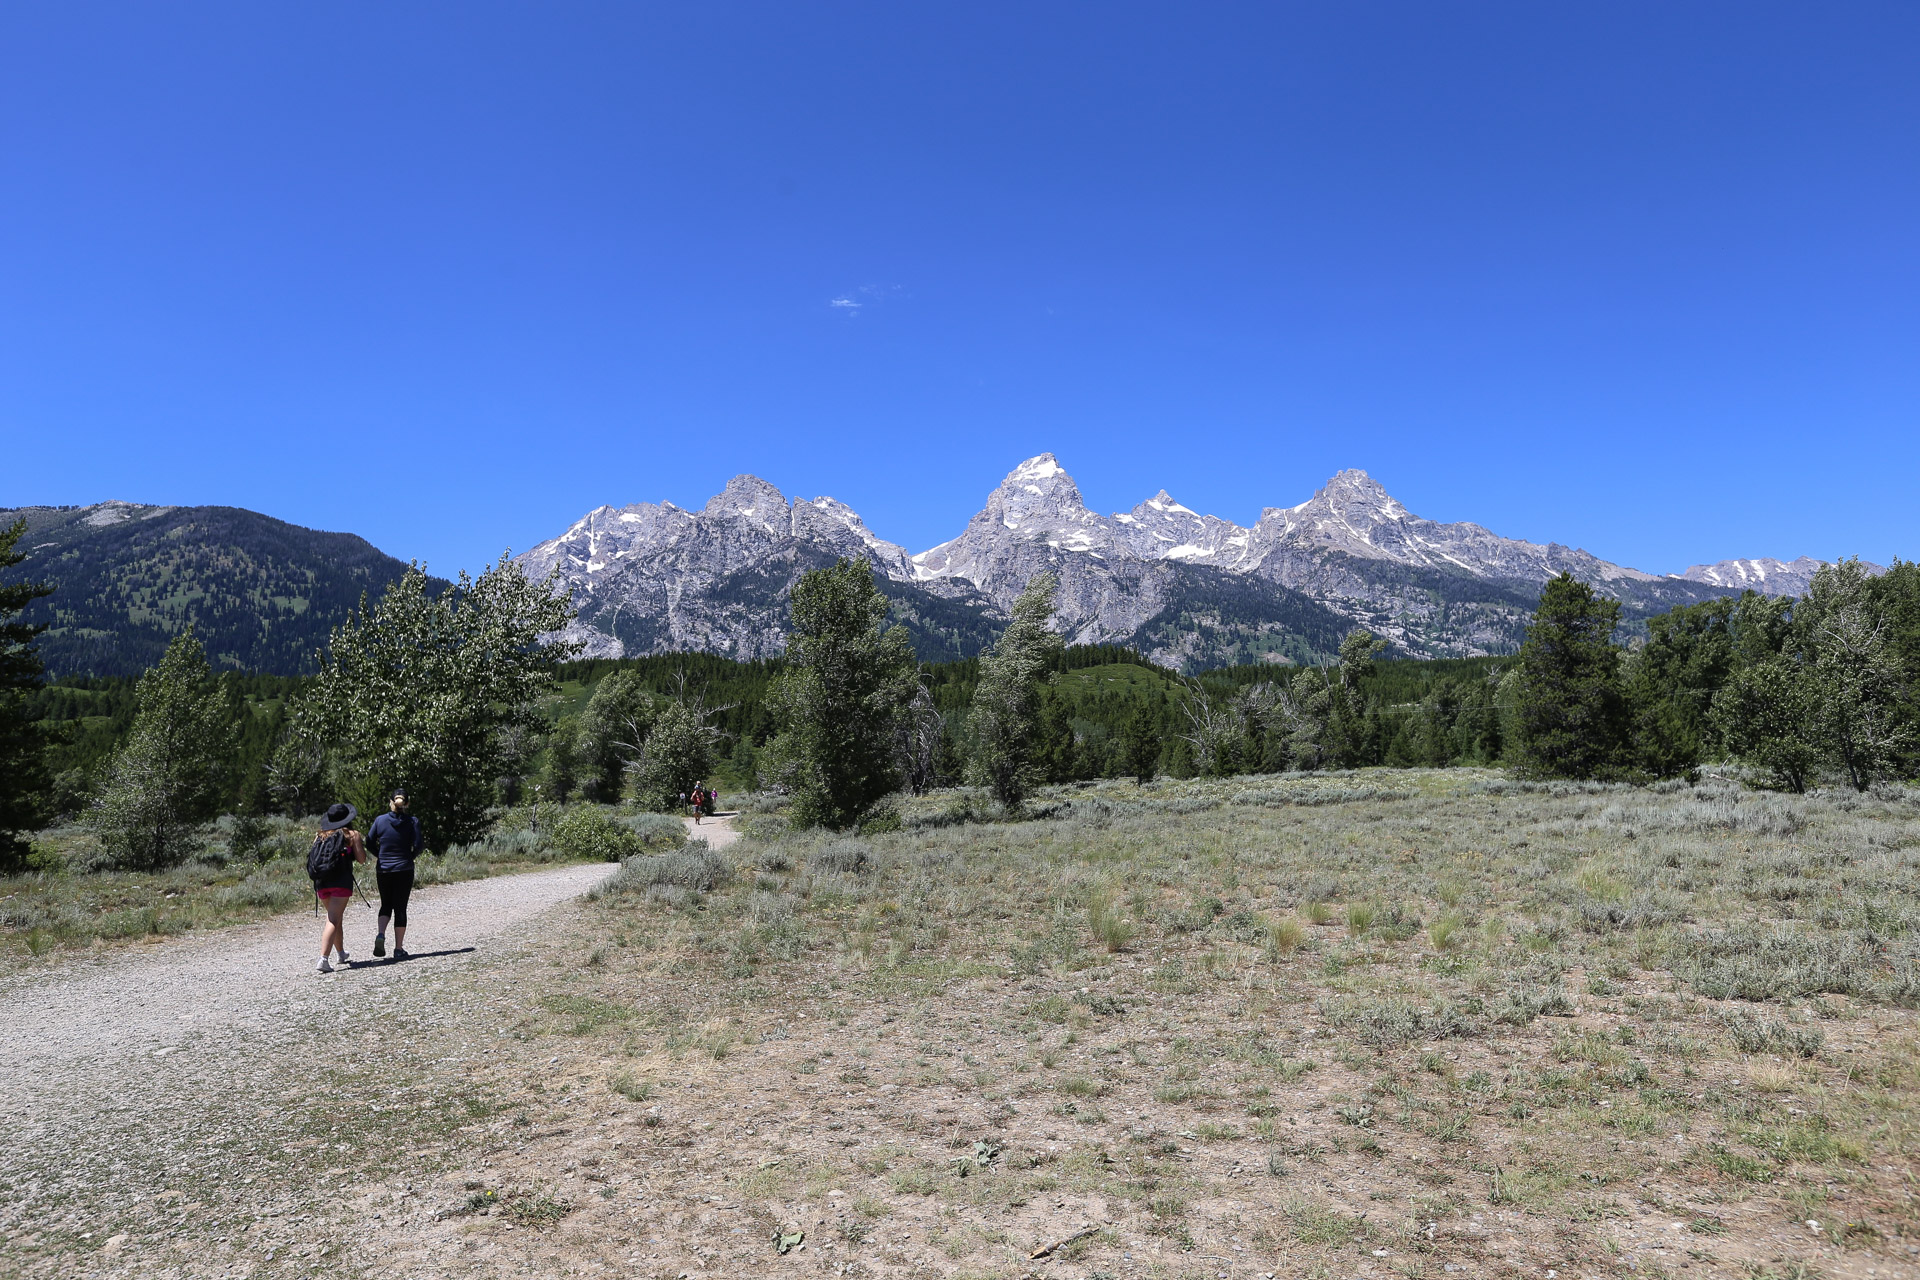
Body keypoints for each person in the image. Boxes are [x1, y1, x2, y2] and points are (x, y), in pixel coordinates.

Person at [368, 788, 426, 960]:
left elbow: (369, 841)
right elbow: (419, 845)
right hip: (404, 869)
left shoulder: (380, 820)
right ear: (406, 803)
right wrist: (410, 857)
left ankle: (380, 934)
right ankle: (398, 948)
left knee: (386, 904)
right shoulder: (412, 821)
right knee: (400, 908)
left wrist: (380, 855)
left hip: (384, 869)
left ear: (391, 802)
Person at [309, 803, 365, 974]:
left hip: (321, 882)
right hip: (341, 882)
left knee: (335, 917)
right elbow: (361, 859)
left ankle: (341, 953)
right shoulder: (351, 834)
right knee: (333, 919)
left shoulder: (319, 836)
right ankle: (323, 959)